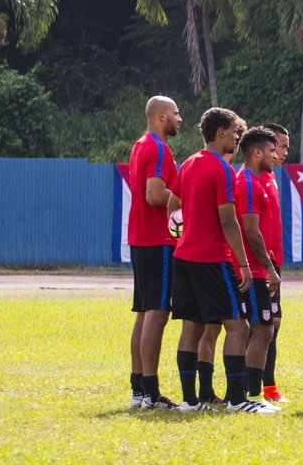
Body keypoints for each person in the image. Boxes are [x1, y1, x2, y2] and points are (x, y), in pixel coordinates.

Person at [170, 107, 270, 413]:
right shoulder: (221, 169)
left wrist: (180, 230)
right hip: (212, 258)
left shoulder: (188, 163)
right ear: (220, 132)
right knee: (238, 326)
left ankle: (189, 402)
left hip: (184, 255)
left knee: (192, 328)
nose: (238, 135)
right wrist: (242, 264)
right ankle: (238, 400)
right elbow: (229, 222)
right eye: (234, 131)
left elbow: (173, 204)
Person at [126, 95, 182, 410]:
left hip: (140, 238)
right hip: (157, 240)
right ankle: (151, 393)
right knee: (157, 314)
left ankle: (138, 390)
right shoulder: (159, 148)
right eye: (176, 114)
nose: (180, 119)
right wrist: (188, 196)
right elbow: (155, 195)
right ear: (162, 116)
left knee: (145, 312)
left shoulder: (140, 145)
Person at [233, 127, 284, 407]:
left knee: (260, 328)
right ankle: (251, 395)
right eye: (271, 150)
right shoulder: (248, 183)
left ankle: (247, 392)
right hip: (253, 271)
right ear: (256, 152)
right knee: (261, 328)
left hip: (257, 268)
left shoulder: (257, 180)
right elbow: (251, 232)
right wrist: (268, 269)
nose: (275, 155)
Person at [259, 123, 290, 405]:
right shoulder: (255, 178)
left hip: (273, 261)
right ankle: (253, 386)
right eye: (280, 146)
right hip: (260, 262)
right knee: (260, 325)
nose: (282, 153)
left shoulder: (271, 178)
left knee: (273, 323)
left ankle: (268, 386)